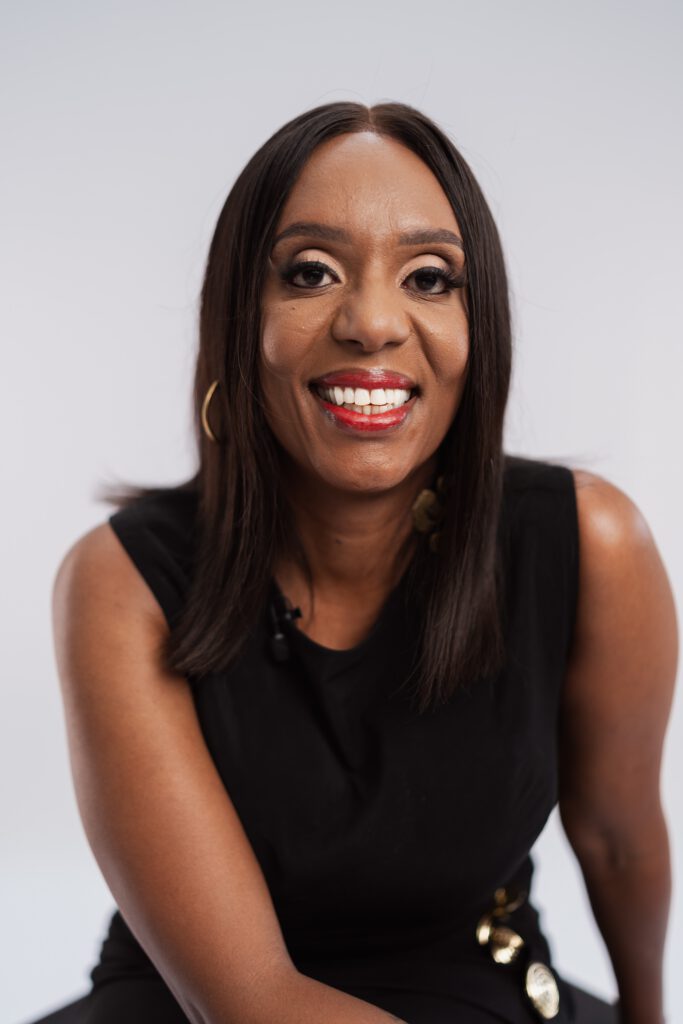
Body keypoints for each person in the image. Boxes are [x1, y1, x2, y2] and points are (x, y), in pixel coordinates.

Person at [43, 102, 676, 1024]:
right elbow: (248, 1000)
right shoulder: (121, 583)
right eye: (310, 272)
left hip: (473, 984)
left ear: (478, 327)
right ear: (238, 319)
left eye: (429, 278)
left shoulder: (587, 543)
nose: (373, 323)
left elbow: (619, 842)